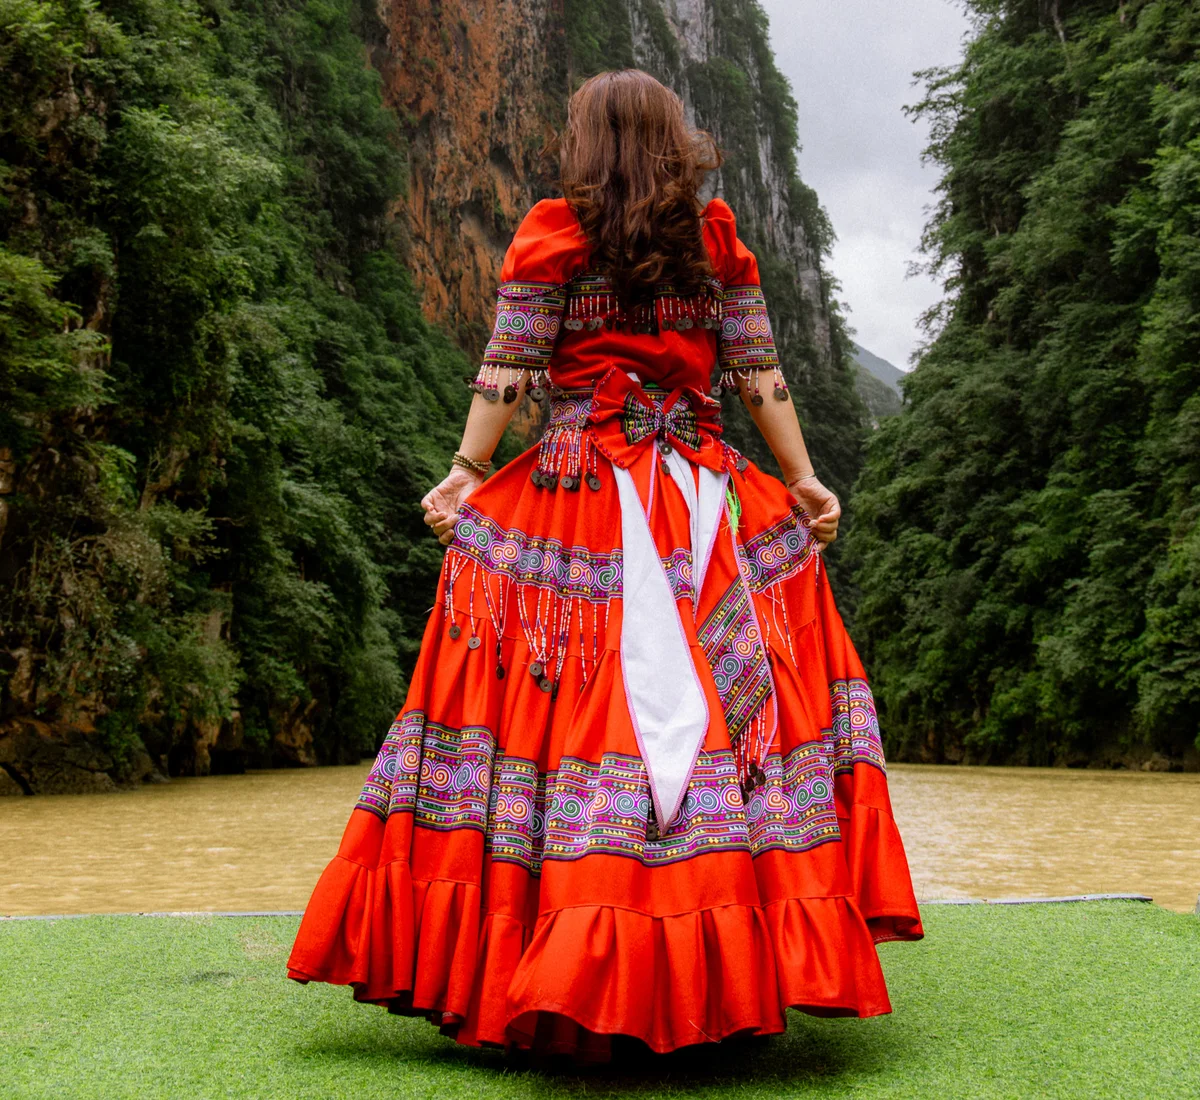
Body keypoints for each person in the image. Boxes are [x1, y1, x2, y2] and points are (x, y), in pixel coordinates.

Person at [287, 68, 922, 1063]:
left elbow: (510, 366)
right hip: (705, 495)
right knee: (723, 703)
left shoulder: (555, 231)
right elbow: (758, 374)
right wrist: (800, 479)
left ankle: (561, 947)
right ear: (677, 141)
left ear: (588, 142)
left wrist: (466, 470)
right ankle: (718, 962)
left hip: (580, 493)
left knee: (562, 700)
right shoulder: (715, 240)